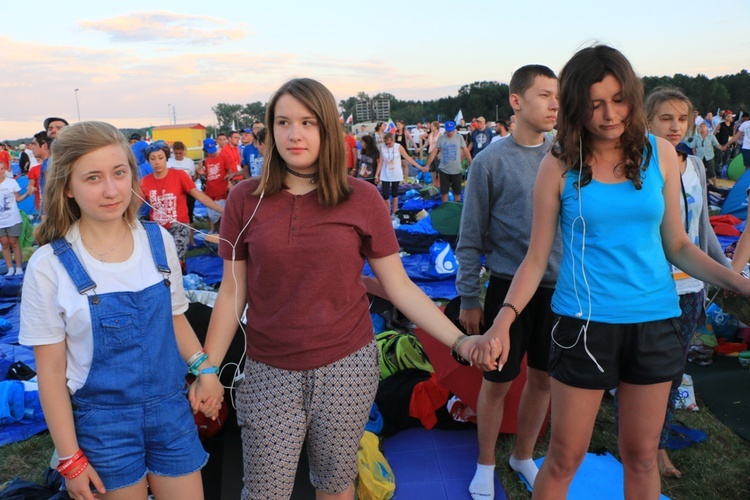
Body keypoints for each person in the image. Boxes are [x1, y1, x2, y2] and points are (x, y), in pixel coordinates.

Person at [189, 78, 500, 500]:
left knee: (335, 485)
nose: (294, 134)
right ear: (270, 129)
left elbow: (400, 288)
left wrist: (461, 342)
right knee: (264, 491)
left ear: (328, 131)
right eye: (283, 122)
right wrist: (207, 371)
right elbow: (231, 293)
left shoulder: (362, 198)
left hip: (347, 367)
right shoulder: (246, 199)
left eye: (307, 122)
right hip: (267, 368)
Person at [473, 45, 750, 500]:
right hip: (583, 326)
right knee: (564, 457)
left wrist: (738, 283)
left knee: (641, 457)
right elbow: (536, 258)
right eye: (594, 103)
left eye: (618, 99)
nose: (607, 115)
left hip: (655, 323)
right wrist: (502, 320)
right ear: (577, 104)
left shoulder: (660, 154)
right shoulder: (557, 164)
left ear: (634, 98)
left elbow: (677, 244)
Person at [19, 121, 220, 500]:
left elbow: (175, 317)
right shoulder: (49, 266)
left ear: (133, 174)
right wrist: (69, 458)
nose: (111, 190)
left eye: (119, 173)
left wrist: (204, 369)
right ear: (67, 187)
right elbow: (50, 374)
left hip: (171, 412)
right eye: (93, 178)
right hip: (103, 427)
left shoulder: (157, 240)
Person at [456, 65, 561, 499]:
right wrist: (468, 296)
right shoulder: (489, 161)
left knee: (543, 380)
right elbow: (470, 235)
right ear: (516, 102)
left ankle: (523, 455)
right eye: (543, 95)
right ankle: (485, 462)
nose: (554, 104)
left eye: (558, 95)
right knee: (496, 381)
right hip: (505, 287)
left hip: (560, 288)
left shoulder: (565, 153)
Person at [631, 87, 730, 479]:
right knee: (641, 372)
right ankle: (638, 445)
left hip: (690, 286)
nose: (675, 127)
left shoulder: (696, 166)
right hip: (650, 288)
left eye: (682, 119)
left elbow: (701, 227)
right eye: (665, 119)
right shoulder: (638, 162)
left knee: (673, 370)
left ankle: (656, 446)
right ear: (647, 121)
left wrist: (726, 274)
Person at [140, 141, 225, 267]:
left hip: (179, 225)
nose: (157, 162)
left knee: (173, 259)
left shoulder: (179, 176)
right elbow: (135, 204)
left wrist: (223, 210)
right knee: (159, 261)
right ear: (148, 160)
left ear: (166, 158)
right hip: (158, 228)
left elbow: (199, 196)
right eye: (152, 159)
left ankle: (179, 270)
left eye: (160, 158)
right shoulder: (144, 182)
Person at [375, 131, 422, 214]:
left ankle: (395, 210)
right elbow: (380, 162)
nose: (388, 145)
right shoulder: (382, 147)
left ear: (393, 141)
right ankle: (387, 211)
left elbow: (408, 158)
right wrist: (377, 175)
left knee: (395, 192)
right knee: (385, 194)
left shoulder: (398, 147)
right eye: (386, 143)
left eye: (389, 143)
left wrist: (420, 167)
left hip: (396, 172)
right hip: (385, 173)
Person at [425, 120, 472, 203]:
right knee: (444, 193)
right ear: (445, 130)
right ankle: (445, 208)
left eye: (451, 130)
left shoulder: (459, 137)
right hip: (444, 170)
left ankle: (456, 210)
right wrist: (427, 165)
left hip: (456, 170)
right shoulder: (441, 138)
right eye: (448, 131)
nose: (450, 133)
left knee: (457, 193)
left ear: (454, 129)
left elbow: (466, 150)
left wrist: (471, 161)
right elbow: (434, 152)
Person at [0, 159, 32, 276]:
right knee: (4, 243)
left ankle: (18, 268)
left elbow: (17, 199)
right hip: (1, 221)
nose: (0, 171)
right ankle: (10, 269)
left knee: (14, 242)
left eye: (2, 169)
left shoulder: (11, 183)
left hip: (12, 218)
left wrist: (28, 194)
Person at [200, 138, 229, 233]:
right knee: (213, 217)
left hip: (222, 192)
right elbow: (207, 176)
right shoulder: (206, 161)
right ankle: (218, 234)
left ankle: (226, 234)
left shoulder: (224, 157)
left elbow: (231, 172)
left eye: (213, 151)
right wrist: (202, 173)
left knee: (225, 216)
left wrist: (228, 177)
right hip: (211, 193)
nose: (212, 153)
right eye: (209, 152)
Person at [692, 122, 722, 186]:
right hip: (699, 156)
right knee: (700, 171)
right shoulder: (696, 136)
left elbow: (717, 144)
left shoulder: (711, 136)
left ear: (707, 128)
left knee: (711, 171)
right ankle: (702, 184)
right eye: (701, 127)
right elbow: (693, 147)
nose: (702, 128)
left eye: (704, 127)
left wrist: (723, 148)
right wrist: (694, 155)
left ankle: (715, 184)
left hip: (709, 156)